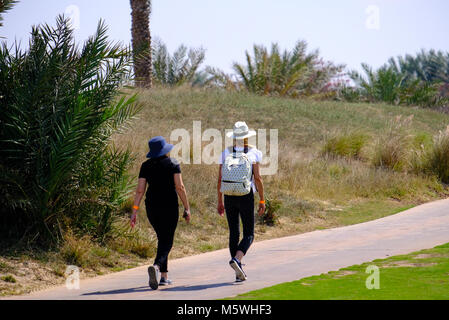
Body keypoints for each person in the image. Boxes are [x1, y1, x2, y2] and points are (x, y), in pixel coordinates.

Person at [130, 136, 191, 290]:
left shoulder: (145, 166)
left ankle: (164, 277)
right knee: (167, 240)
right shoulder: (173, 163)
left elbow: (139, 190)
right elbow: (180, 187)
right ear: (165, 150)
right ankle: (157, 267)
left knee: (162, 238)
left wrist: (134, 211)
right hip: (169, 206)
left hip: (152, 207)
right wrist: (187, 207)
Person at [217, 121, 265, 282]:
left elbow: (220, 178)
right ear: (246, 137)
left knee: (234, 232)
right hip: (246, 195)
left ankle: (237, 272)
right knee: (249, 233)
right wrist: (262, 199)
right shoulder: (254, 153)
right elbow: (257, 178)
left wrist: (219, 200)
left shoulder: (225, 153)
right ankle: (237, 259)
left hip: (229, 195)